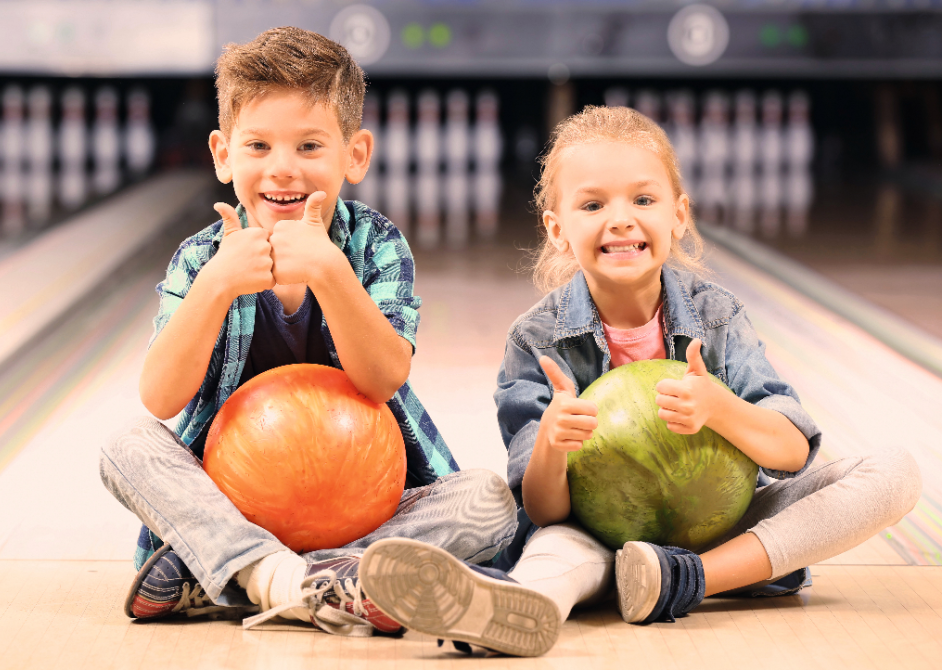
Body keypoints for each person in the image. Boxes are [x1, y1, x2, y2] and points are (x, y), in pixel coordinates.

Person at [358, 105, 922, 655]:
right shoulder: (536, 340)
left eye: (643, 199)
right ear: (557, 229)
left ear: (679, 216)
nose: (621, 218)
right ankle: (512, 609)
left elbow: (792, 452)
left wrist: (721, 409)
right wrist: (552, 445)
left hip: (723, 528)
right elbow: (545, 508)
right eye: (594, 203)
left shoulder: (716, 316)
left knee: (894, 474)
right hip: (595, 537)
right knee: (553, 555)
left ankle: (689, 578)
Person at [98, 26, 517, 638]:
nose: (283, 169)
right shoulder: (200, 258)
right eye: (259, 145)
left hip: (363, 515)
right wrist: (217, 285)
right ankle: (315, 583)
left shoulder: (377, 246)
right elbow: (162, 398)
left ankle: (251, 579)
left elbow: (383, 379)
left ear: (356, 154)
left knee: (490, 501)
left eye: (310, 146)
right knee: (126, 445)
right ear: (222, 155)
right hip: (232, 504)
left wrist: (329, 270)